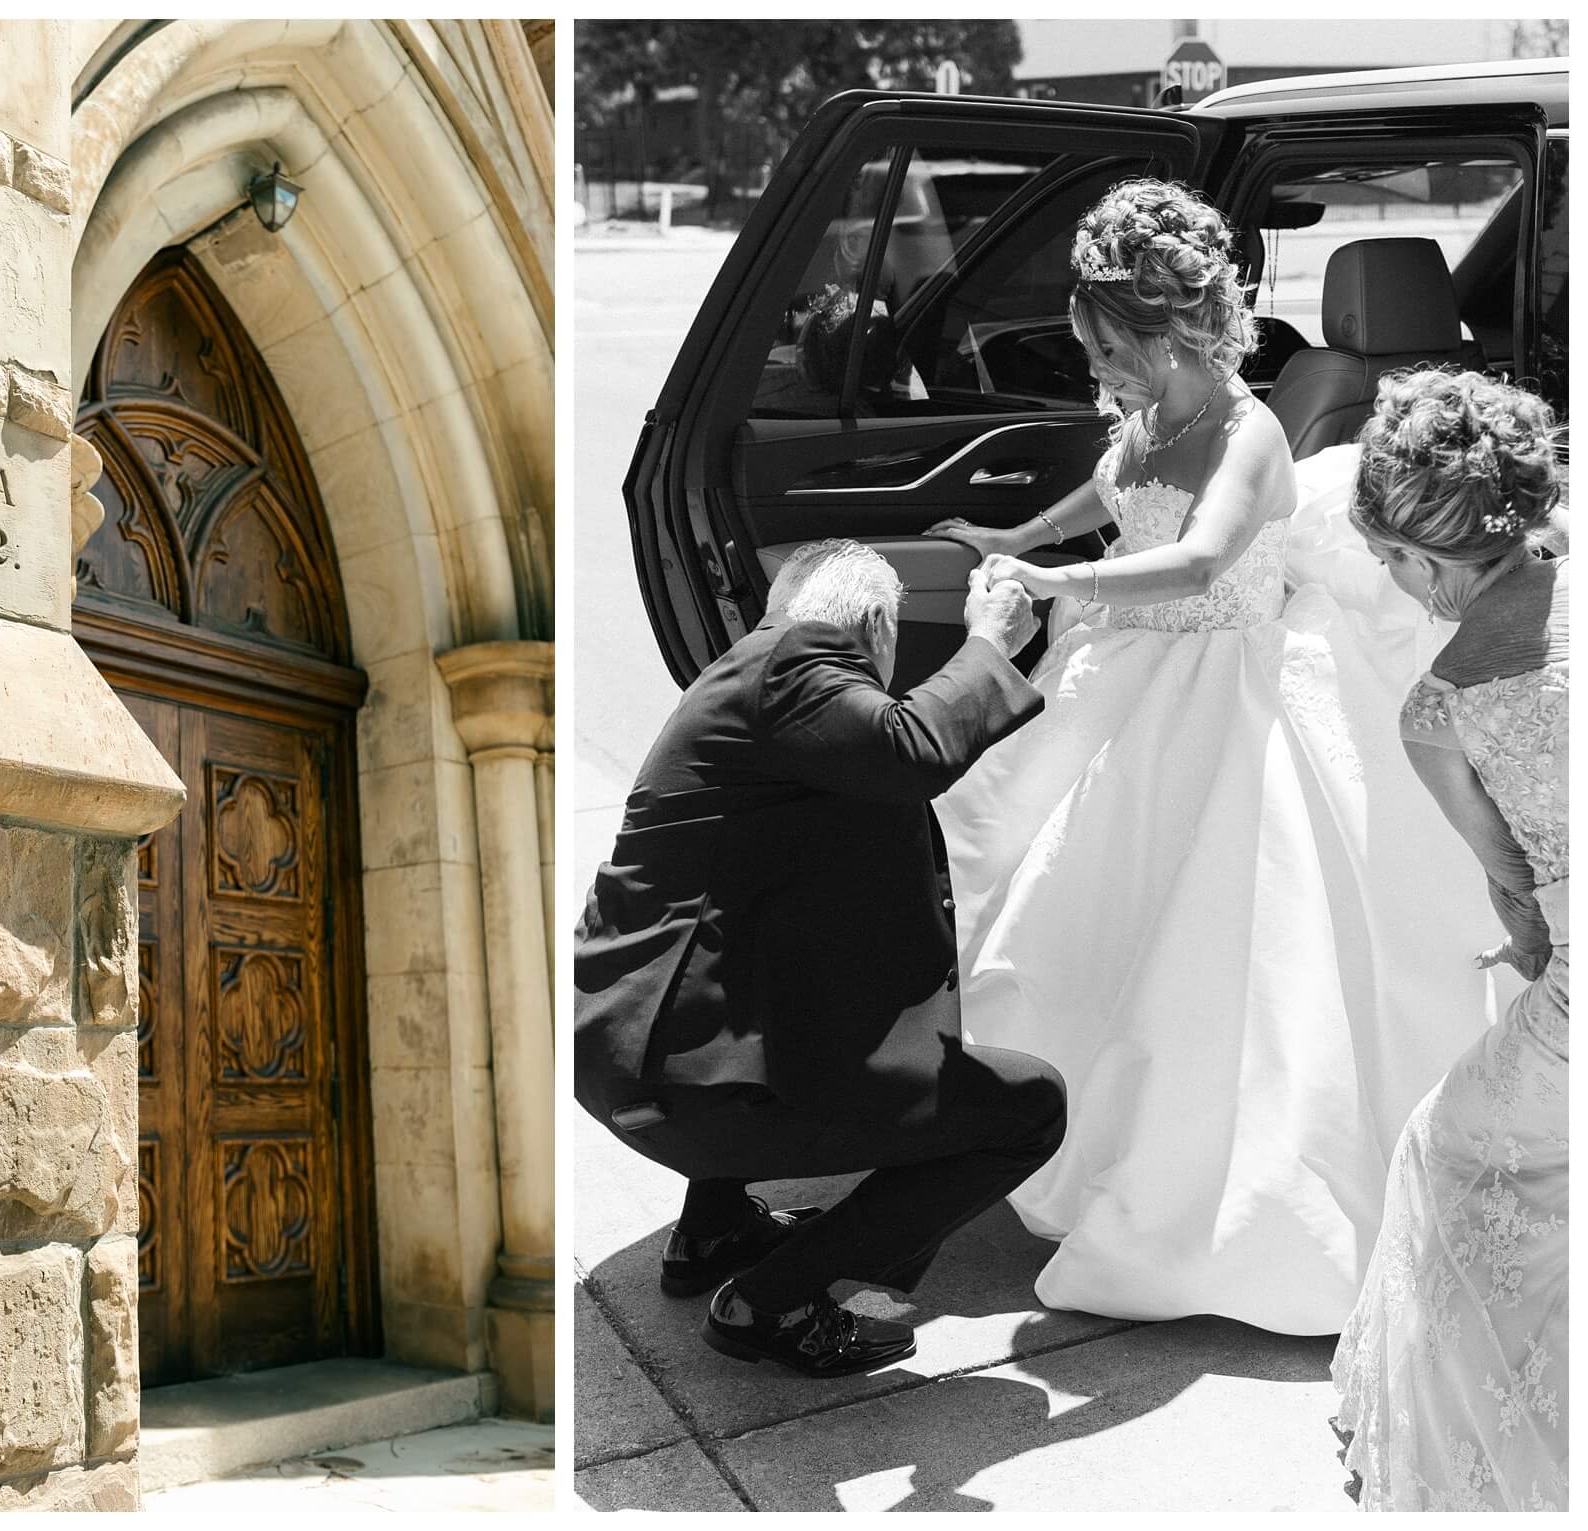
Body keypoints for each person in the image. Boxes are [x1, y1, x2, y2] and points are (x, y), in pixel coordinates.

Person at [924, 178, 1506, 1334]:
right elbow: (1108, 487)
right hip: (1117, 684)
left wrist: (1057, 585)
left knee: (1209, 960)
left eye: (1103, 345)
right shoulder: (1147, 416)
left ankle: (1199, 1194)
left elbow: (1194, 562)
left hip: (1223, 695)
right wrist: (1010, 538)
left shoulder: (1246, 429)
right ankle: (1041, 1126)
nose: (1093, 367)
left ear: (1164, 329)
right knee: (1055, 899)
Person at [574, 541, 1062, 1377]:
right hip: (677, 1086)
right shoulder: (794, 664)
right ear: (874, 624)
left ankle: (714, 1232)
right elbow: (911, 748)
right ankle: (783, 1300)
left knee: (773, 995)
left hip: (630, 1051)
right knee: (1031, 1107)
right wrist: (988, 642)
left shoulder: (742, 674)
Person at [1330, 369, 1567, 1511]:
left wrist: (1530, 963)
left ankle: (1492, 1470)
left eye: (1391, 563)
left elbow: (1518, 900)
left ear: (1422, 563)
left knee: (1445, 1148)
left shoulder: (1438, 706)